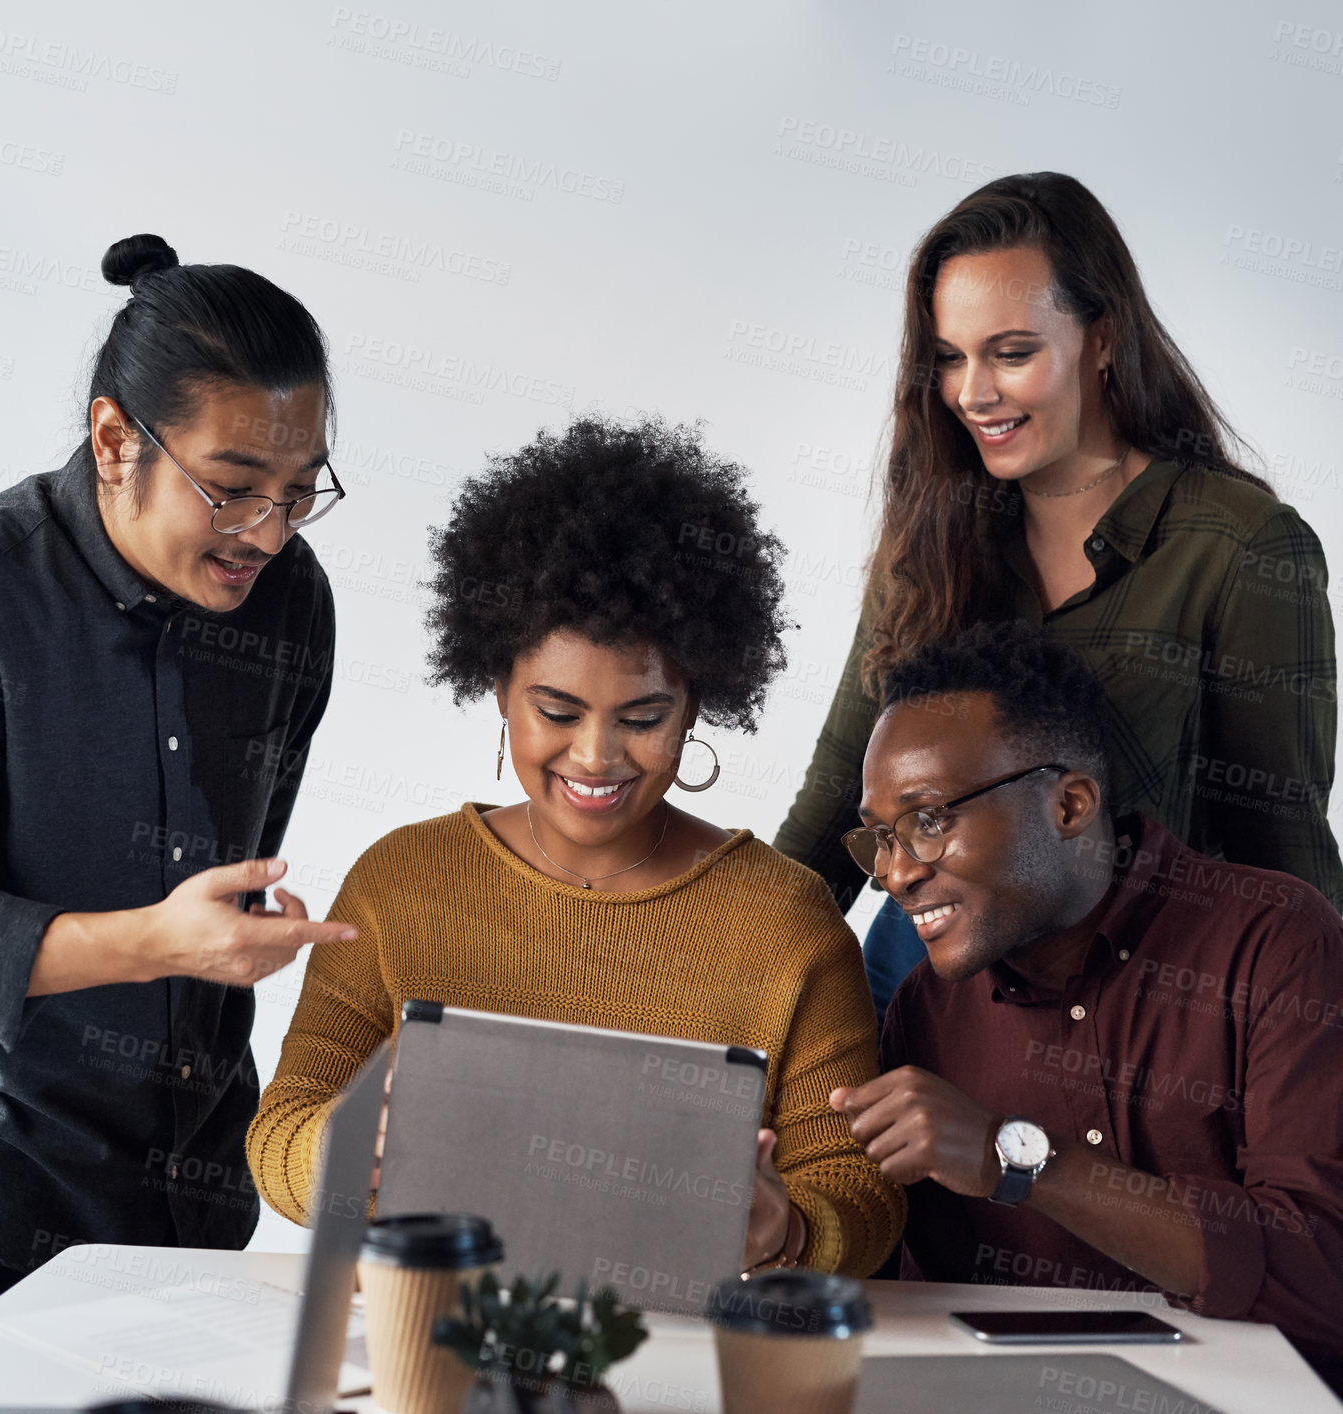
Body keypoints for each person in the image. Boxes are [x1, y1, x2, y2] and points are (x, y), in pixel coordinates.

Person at [247, 415, 905, 1278]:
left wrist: (787, 1231)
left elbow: (859, 1194)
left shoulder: (785, 923)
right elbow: (280, 1131)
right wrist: (345, 1148)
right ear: (498, 689)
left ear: (697, 704)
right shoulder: (401, 883)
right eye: (556, 713)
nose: (595, 758)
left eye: (643, 718)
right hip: (435, 1344)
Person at [774, 171, 1341, 1022]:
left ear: (1102, 338)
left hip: (1147, 1023)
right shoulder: (928, 540)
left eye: (1012, 353)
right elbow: (829, 816)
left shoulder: (1241, 549)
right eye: (949, 359)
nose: (974, 394)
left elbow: (1280, 855)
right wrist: (720, 972)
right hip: (929, 997)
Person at [0, 234, 358, 1340]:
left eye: (298, 493)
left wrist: (233, 933)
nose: (265, 532)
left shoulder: (289, 602)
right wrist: (159, 941)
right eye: (230, 489)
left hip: (193, 1203)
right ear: (115, 437)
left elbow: (223, 861)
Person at [831, 621, 1343, 1391]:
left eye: (930, 820)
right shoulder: (926, 1012)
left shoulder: (1278, 945)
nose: (894, 874)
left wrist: (1017, 1156)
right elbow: (928, 1315)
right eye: (880, 837)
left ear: (1069, 806)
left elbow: (1324, 1275)